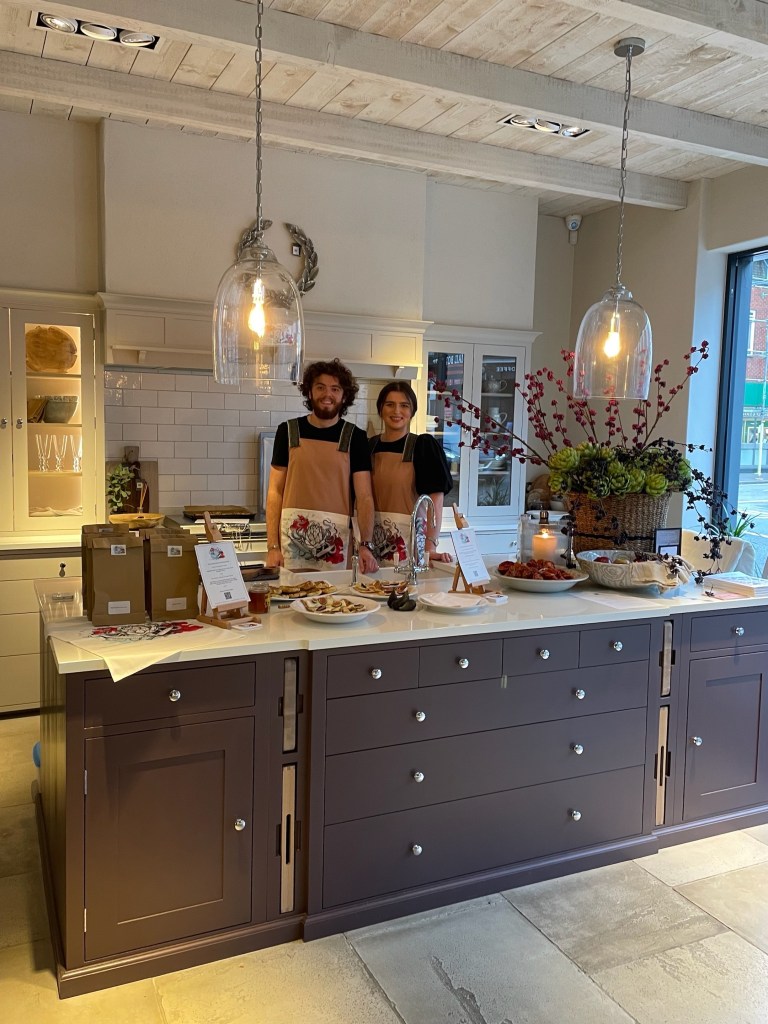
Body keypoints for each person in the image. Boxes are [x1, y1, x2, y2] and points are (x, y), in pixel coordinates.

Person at [265, 359, 378, 573]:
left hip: (336, 545)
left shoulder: (355, 437)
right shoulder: (288, 431)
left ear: (344, 396)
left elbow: (364, 497)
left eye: (335, 389)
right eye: (320, 387)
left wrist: (366, 544)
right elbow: (274, 492)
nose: (327, 394)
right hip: (291, 543)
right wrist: (272, 546)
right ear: (309, 392)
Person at [369, 381, 454, 566]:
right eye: (390, 404)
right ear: (380, 409)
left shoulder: (423, 447)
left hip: (410, 546)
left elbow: (435, 501)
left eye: (404, 405)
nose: (396, 411)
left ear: (412, 411)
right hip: (370, 547)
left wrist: (430, 547)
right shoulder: (369, 446)